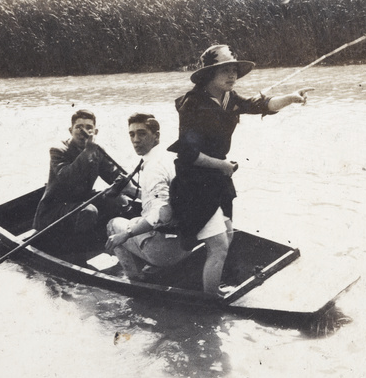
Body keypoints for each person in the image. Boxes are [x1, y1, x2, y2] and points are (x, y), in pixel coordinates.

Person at [167, 44, 313, 295]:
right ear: (209, 74)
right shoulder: (193, 104)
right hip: (194, 182)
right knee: (219, 246)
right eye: (225, 70)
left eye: (234, 70)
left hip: (219, 178)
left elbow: (262, 105)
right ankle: (212, 302)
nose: (232, 75)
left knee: (228, 234)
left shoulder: (230, 98)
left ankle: (211, 284)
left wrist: (291, 97)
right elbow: (188, 154)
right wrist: (222, 165)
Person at [105, 113, 191, 281]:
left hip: (166, 252)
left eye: (142, 133)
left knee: (113, 225)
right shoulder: (170, 157)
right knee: (139, 220)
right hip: (186, 244)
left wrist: (126, 234)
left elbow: (161, 213)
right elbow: (166, 199)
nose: (136, 139)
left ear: (156, 136)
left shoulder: (153, 167)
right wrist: (130, 190)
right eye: (132, 134)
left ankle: (135, 280)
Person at [33, 109, 128, 252]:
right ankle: (76, 253)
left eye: (89, 127)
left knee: (118, 200)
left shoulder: (97, 150)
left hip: (80, 203)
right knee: (88, 212)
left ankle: (108, 243)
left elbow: (113, 175)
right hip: (54, 210)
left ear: (95, 132)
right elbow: (67, 178)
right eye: (79, 127)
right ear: (71, 130)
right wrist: (87, 152)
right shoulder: (58, 150)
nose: (83, 131)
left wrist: (127, 180)